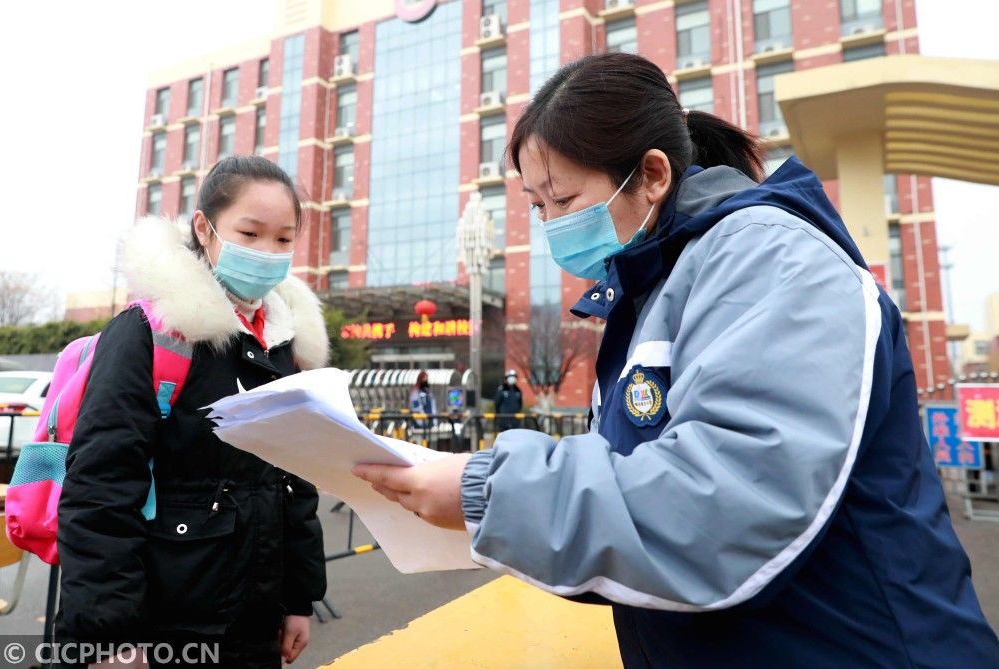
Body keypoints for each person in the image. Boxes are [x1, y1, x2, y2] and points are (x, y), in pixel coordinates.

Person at [353, 53, 999, 668]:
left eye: (564, 199)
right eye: (537, 206)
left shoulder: (770, 256)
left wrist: (485, 490)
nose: (550, 224)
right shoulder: (652, 291)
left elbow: (731, 500)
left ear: (654, 174)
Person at [57, 155, 329, 668]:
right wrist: (108, 636)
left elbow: (294, 480)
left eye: (284, 239)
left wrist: (299, 599)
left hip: (254, 625)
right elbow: (100, 487)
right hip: (163, 628)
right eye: (249, 233)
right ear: (204, 228)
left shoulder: (286, 343)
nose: (267, 252)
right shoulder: (150, 334)